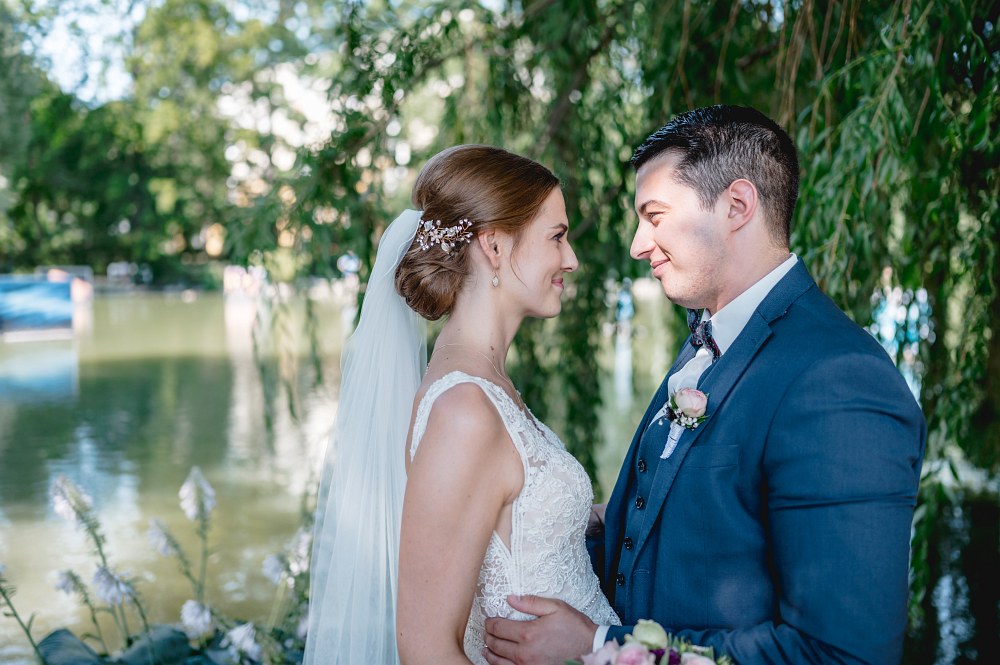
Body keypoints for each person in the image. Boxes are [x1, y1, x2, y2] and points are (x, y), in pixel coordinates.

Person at [483, 105, 926, 665]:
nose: (637, 245)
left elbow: (841, 653)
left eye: (655, 215)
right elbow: (676, 526)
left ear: (737, 206)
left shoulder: (836, 379)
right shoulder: (708, 341)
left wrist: (599, 645)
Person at [305, 145, 620, 665]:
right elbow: (426, 650)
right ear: (494, 246)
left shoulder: (487, 386)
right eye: (557, 237)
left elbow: (515, 527)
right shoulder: (464, 411)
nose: (571, 259)